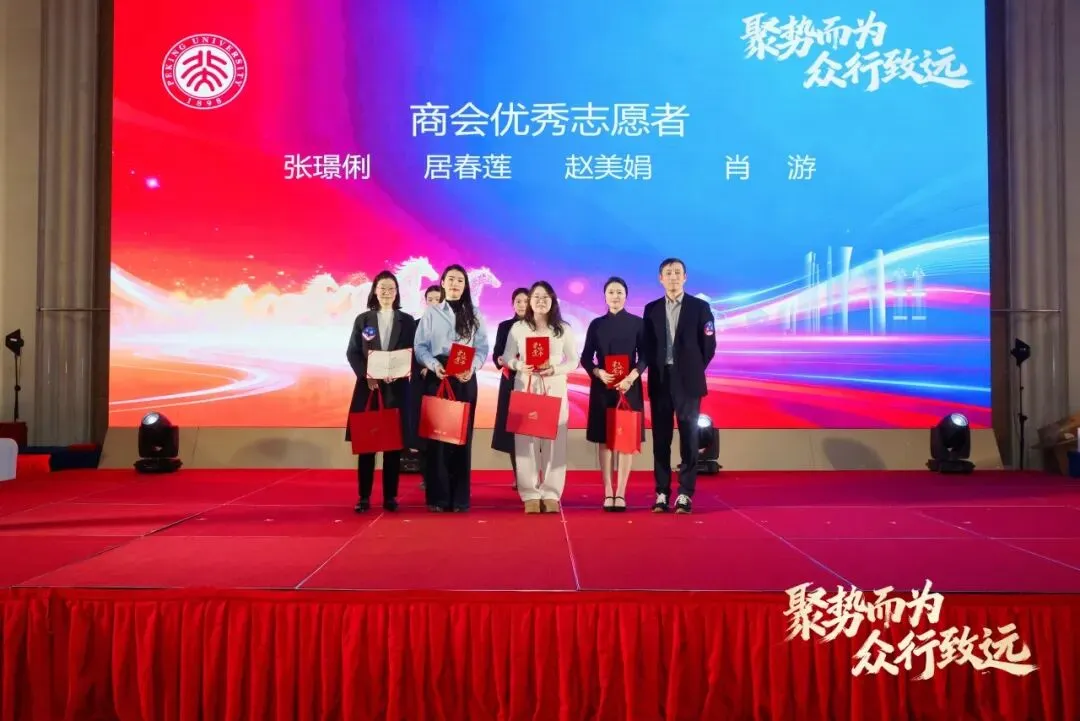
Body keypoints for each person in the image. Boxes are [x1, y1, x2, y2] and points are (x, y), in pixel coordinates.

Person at [641, 258, 716, 514]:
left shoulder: (700, 307)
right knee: (661, 439)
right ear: (660, 278)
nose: (673, 277)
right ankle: (662, 491)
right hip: (661, 380)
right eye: (668, 273)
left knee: (688, 437)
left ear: (685, 277)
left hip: (688, 382)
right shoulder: (651, 309)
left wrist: (692, 369)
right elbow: (648, 346)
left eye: (677, 272)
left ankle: (685, 492)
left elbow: (709, 346)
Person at [414, 265, 489, 512]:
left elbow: (482, 348)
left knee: (461, 438)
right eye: (451, 279)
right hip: (439, 376)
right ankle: (438, 498)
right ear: (443, 283)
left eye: (460, 280)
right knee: (437, 438)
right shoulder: (432, 312)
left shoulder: (475, 314)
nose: (455, 284)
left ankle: (459, 499)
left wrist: (473, 368)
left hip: (464, 378)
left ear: (465, 285)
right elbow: (420, 347)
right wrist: (434, 365)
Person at [502, 281, 579, 514]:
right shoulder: (518, 328)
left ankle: (551, 493)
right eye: (536, 296)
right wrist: (520, 365)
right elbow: (507, 357)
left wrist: (555, 369)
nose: (541, 301)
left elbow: (573, 360)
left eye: (546, 297)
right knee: (525, 441)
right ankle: (530, 494)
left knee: (555, 441)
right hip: (526, 385)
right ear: (529, 301)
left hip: (554, 386)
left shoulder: (563, 329)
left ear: (553, 300)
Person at [345, 270, 417, 512]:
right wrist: (366, 375)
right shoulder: (363, 319)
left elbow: (413, 352)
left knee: (393, 446)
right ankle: (364, 497)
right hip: (369, 388)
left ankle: (390, 497)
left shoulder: (407, 321)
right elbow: (353, 352)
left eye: (391, 288)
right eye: (382, 288)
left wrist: (402, 370)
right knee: (368, 444)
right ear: (375, 291)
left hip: (397, 389)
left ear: (397, 293)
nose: (386, 292)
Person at [580, 277, 646, 512]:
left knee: (626, 441)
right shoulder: (596, 325)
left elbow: (645, 357)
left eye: (619, 292)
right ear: (604, 296)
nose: (615, 296)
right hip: (603, 387)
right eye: (611, 292)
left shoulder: (638, 323)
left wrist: (631, 377)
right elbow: (585, 358)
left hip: (629, 387)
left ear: (626, 296)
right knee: (605, 440)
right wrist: (598, 372)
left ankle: (621, 493)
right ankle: (608, 491)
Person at [491, 288, 530, 482]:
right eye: (518, 301)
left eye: (526, 301)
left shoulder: (538, 326)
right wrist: (501, 359)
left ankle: (533, 474)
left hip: (532, 381)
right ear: (513, 304)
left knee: (532, 428)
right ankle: (519, 475)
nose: (522, 305)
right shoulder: (505, 326)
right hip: (511, 381)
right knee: (513, 430)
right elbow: (496, 353)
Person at [409, 285, 445, 491]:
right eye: (429, 299)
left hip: (442, 384)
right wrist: (421, 367)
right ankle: (426, 475)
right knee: (423, 431)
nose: (433, 303)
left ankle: (444, 475)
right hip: (420, 386)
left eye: (437, 299)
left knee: (443, 430)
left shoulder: (451, 326)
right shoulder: (415, 325)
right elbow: (409, 353)